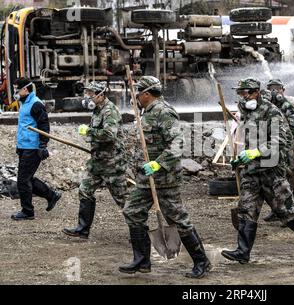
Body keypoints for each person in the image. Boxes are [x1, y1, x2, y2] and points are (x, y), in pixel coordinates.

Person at [120, 76, 211, 279]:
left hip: (165, 179)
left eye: (138, 93)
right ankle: (142, 260)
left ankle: (202, 261)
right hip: (146, 178)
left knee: (178, 220)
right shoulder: (146, 112)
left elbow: (177, 143)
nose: (135, 96)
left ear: (147, 94)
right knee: (132, 211)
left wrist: (158, 163)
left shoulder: (164, 112)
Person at [221, 77, 294, 264]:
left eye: (246, 93)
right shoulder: (246, 110)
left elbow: (281, 140)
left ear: (256, 93)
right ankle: (243, 251)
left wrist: (257, 152)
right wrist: (241, 158)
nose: (242, 96)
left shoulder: (272, 112)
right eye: (240, 93)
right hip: (252, 170)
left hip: (271, 170)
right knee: (246, 209)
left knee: (284, 210)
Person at [62, 81, 128, 238]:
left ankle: (140, 232)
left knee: (123, 199)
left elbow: (110, 135)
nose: (89, 97)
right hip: (98, 162)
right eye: (88, 93)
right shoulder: (98, 110)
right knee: (85, 190)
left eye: (91, 94)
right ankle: (83, 229)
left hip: (112, 163)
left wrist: (89, 131)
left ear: (101, 95)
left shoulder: (110, 111)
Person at [262, 79, 294, 225]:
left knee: (284, 177)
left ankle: (291, 212)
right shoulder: (269, 105)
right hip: (274, 145)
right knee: (274, 177)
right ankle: (278, 209)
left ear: (282, 90)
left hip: (286, 146)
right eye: (271, 89)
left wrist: (285, 142)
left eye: (277, 89)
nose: (274, 92)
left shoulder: (286, 105)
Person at [11, 77, 61, 220]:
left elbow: (44, 126)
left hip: (32, 148)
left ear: (25, 89)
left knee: (23, 180)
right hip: (24, 146)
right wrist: (19, 147)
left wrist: (43, 145)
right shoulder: (24, 103)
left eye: (17, 89)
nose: (15, 92)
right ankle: (51, 195)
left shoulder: (35, 104)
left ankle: (27, 212)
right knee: (27, 178)